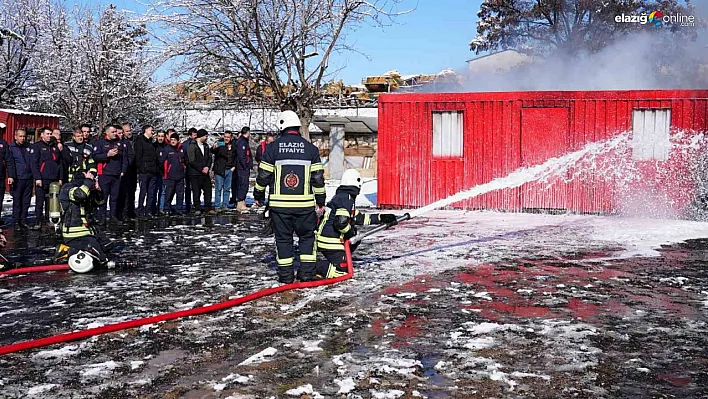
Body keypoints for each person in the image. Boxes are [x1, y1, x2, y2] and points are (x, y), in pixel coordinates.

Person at [253, 111, 326, 283]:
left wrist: (258, 195)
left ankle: (286, 277)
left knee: (283, 240)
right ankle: (306, 274)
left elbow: (263, 176)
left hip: (280, 208)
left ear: (281, 126)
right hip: (305, 207)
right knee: (307, 239)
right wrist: (321, 202)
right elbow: (318, 179)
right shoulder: (311, 149)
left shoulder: (272, 148)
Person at [315, 169, 398, 279]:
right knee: (342, 272)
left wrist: (381, 218)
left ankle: (339, 258)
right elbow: (341, 223)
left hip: (327, 239)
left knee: (355, 239)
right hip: (330, 241)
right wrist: (350, 233)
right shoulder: (346, 199)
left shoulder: (343, 197)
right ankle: (313, 267)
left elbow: (360, 218)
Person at [53, 171, 110, 273]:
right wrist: (88, 180)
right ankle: (66, 251)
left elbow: (100, 202)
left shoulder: (86, 189)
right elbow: (80, 195)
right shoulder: (68, 188)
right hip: (74, 234)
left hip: (88, 232)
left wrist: (98, 190)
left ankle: (77, 250)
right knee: (101, 257)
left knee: (107, 246)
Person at [30, 127, 64, 231]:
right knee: (40, 201)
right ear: (42, 135)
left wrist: (60, 177)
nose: (49, 136)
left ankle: (49, 220)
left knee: (51, 201)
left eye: (50, 134)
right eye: (47, 134)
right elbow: (34, 164)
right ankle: (38, 221)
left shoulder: (54, 147)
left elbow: (60, 163)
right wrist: (37, 178)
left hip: (53, 179)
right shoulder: (37, 146)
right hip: (42, 178)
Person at [93, 125, 127, 225]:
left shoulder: (119, 143)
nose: (115, 133)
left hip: (117, 175)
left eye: (116, 131)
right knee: (103, 197)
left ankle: (113, 216)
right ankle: (102, 217)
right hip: (105, 174)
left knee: (114, 197)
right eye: (113, 132)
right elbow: (95, 156)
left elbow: (124, 159)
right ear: (107, 133)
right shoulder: (100, 143)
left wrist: (123, 171)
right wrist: (107, 155)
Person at [134, 125, 160, 218]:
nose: (153, 132)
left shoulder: (151, 143)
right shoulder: (140, 142)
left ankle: (148, 211)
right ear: (145, 130)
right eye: (151, 130)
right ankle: (140, 210)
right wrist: (142, 169)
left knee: (151, 192)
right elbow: (138, 157)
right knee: (143, 192)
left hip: (152, 171)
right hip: (144, 171)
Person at [187, 129, 214, 215]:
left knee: (208, 189)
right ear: (201, 136)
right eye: (205, 136)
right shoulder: (192, 146)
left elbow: (210, 158)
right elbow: (191, 160)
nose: (207, 138)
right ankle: (197, 207)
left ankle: (208, 207)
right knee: (196, 191)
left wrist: (207, 167)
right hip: (195, 173)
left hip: (205, 173)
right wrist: (201, 168)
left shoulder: (206, 146)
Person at [8, 129, 31, 230]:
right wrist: (11, 176)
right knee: (17, 201)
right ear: (15, 136)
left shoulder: (29, 147)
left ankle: (23, 220)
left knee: (26, 201)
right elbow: (10, 164)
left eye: (24, 136)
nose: (23, 138)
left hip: (28, 177)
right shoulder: (11, 148)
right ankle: (16, 221)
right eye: (20, 136)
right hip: (17, 178)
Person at [159, 133, 187, 215]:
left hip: (180, 175)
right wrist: (165, 171)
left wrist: (184, 167)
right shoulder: (167, 149)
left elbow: (185, 160)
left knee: (180, 193)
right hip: (170, 175)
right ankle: (166, 208)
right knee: (169, 193)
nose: (173, 141)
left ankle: (179, 209)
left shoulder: (182, 149)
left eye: (174, 140)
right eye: (171, 140)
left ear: (177, 141)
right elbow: (161, 161)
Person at [118, 123, 137, 220]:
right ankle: (121, 212)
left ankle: (130, 210)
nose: (129, 132)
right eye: (127, 131)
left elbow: (132, 155)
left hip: (131, 170)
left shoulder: (133, 140)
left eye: (130, 130)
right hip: (121, 170)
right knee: (122, 193)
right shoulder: (121, 142)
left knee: (131, 192)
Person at [211, 131, 235, 211]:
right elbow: (213, 151)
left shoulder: (233, 145)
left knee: (227, 189)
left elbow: (236, 156)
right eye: (225, 136)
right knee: (218, 188)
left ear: (231, 138)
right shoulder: (220, 144)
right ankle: (217, 206)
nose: (226, 138)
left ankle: (225, 205)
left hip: (229, 169)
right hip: (219, 169)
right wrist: (214, 147)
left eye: (228, 137)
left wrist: (234, 166)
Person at [233, 126, 253, 212]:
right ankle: (240, 202)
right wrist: (245, 165)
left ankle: (242, 201)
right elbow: (242, 156)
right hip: (242, 168)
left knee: (244, 184)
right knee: (243, 184)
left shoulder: (244, 141)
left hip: (243, 167)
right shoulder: (242, 142)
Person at [182, 128, 197, 213]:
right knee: (190, 187)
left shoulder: (185, 144)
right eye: (194, 135)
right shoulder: (187, 144)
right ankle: (190, 204)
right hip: (189, 168)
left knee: (190, 187)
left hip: (190, 168)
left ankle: (190, 204)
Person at [0, 130, 14, 225]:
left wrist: (10, 175)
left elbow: (9, 160)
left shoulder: (3, 143)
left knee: (0, 197)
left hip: (1, 176)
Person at [156, 130, 170, 213]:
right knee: (154, 191)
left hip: (165, 172)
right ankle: (154, 208)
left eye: (162, 136)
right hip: (155, 171)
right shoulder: (154, 146)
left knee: (163, 191)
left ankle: (161, 207)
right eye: (159, 136)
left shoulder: (167, 147)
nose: (160, 138)